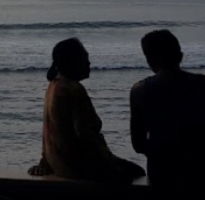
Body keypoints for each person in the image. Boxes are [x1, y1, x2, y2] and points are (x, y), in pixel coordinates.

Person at [129, 30, 205, 190]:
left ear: (149, 60)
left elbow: (138, 145)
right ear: (180, 56)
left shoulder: (139, 91)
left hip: (163, 176)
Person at [28, 38, 146, 183]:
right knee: (139, 172)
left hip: (60, 166)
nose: (89, 63)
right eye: (84, 59)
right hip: (79, 168)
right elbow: (85, 135)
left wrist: (45, 162)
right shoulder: (74, 89)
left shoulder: (53, 87)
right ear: (72, 62)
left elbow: (54, 130)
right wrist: (109, 167)